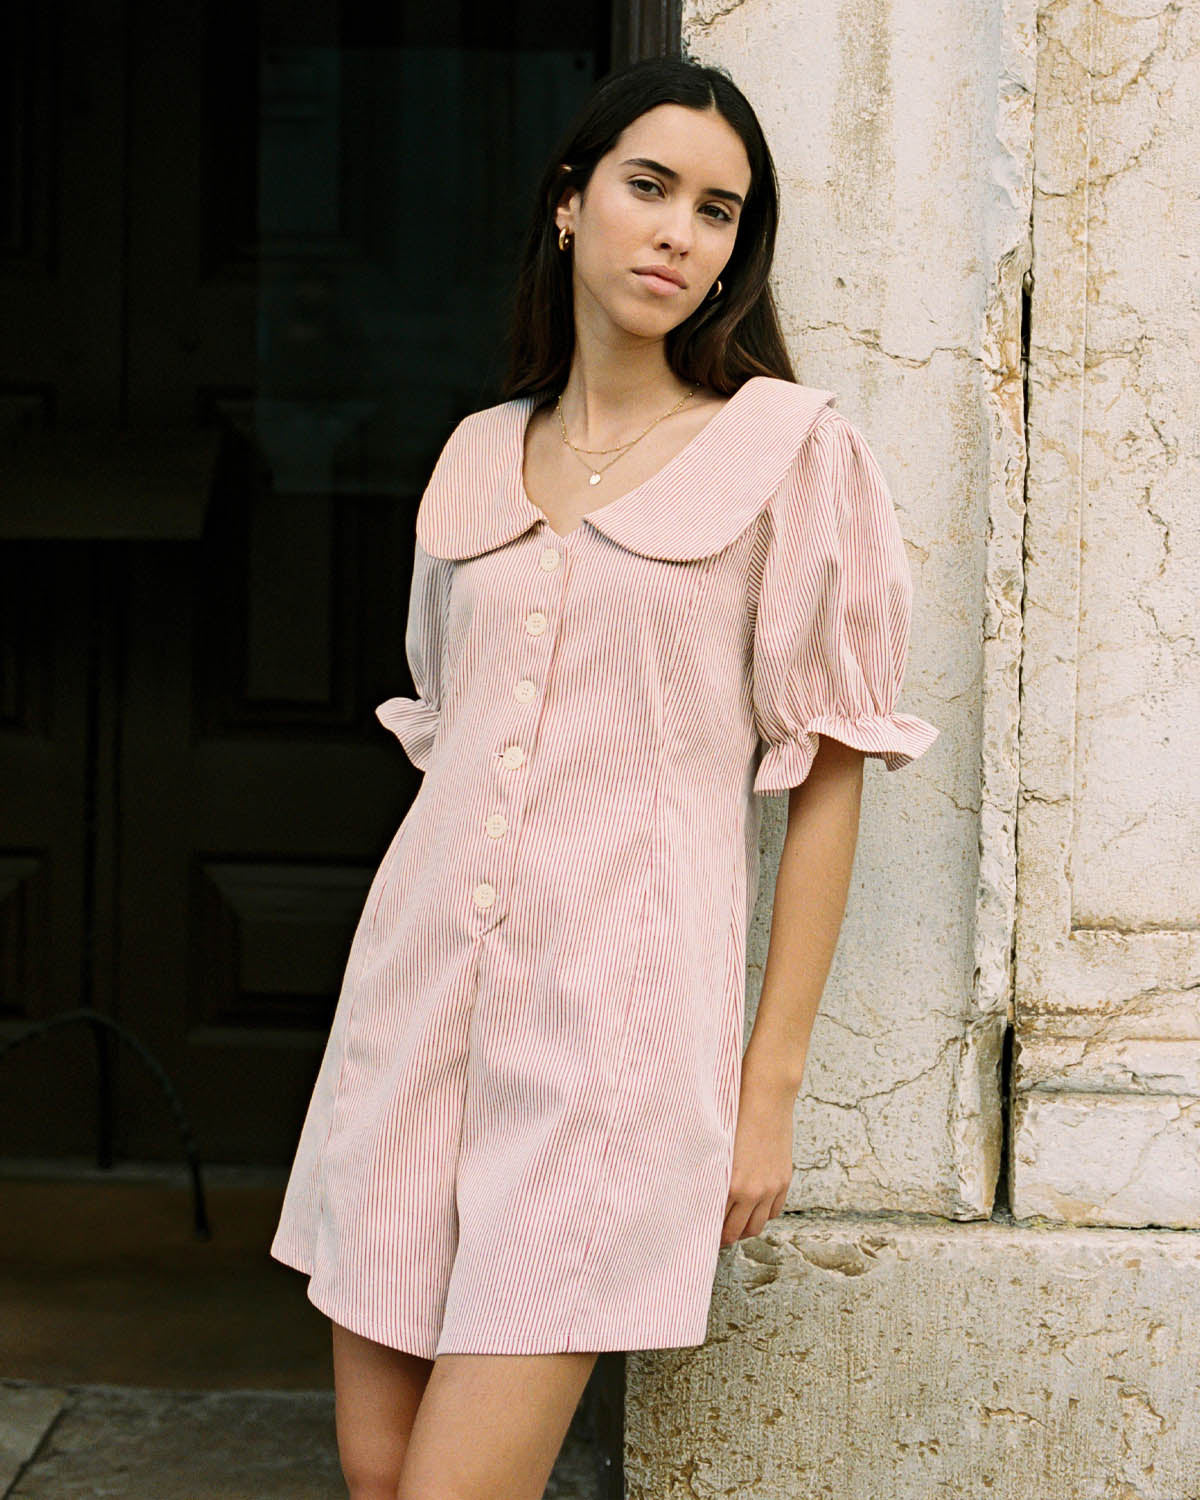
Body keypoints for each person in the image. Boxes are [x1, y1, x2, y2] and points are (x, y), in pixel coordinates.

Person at [269, 54, 939, 1500]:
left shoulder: (789, 453)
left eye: (718, 211)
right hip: (409, 1020)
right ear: (569, 204)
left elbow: (830, 771)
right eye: (650, 187)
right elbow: (459, 748)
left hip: (613, 1052)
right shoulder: (477, 455)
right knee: (377, 1481)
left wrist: (767, 1088)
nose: (679, 233)